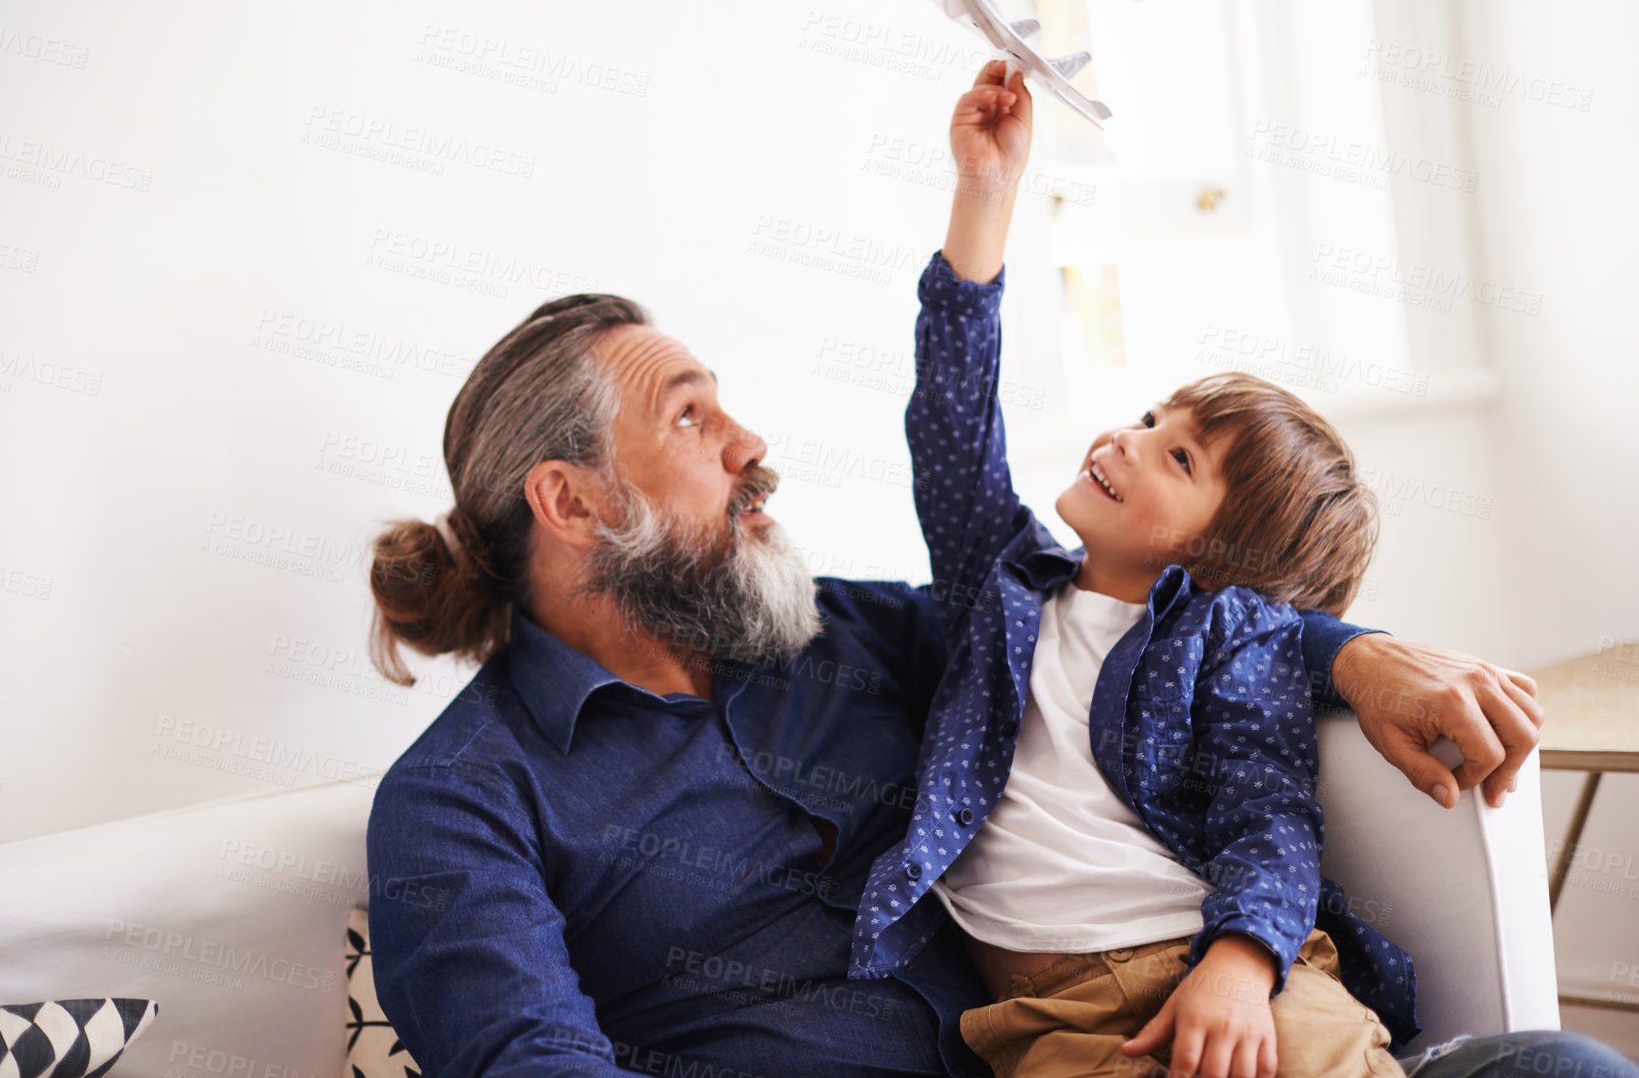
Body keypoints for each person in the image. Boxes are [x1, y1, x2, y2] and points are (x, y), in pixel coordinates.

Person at [358, 59, 1604, 1077]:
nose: (751, 444)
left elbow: (1122, 621)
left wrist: (1362, 654)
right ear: (571, 500)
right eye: (690, 419)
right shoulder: (463, 799)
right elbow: (527, 1059)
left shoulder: (836, 633)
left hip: (1190, 1029)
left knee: (1569, 1073)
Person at [878, 52, 1423, 1078]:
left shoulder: (1230, 640)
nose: (1128, 438)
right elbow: (949, 417)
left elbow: (1270, 818)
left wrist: (1241, 957)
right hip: (1053, 1014)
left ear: (1225, 561)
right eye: (1149, 416)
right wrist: (985, 197)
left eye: (1177, 456)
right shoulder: (1002, 584)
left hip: (1221, 963)